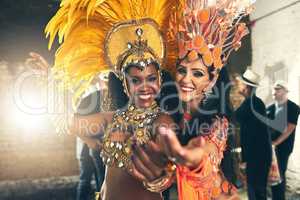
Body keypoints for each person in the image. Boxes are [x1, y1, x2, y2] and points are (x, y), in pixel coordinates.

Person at [45, 1, 180, 200]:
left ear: (159, 81)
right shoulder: (112, 119)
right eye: (136, 80)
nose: (145, 87)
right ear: (125, 84)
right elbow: (67, 124)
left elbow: (176, 163)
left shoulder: (162, 122)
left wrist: (166, 176)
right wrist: (52, 83)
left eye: (151, 78)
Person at [129, 0, 255, 199]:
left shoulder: (218, 121)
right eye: (181, 70)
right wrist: (158, 177)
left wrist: (187, 156)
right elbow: (162, 164)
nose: (185, 79)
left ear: (211, 80)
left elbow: (203, 150)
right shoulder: (166, 114)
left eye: (197, 73)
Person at [235, 68, 272, 200]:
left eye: (240, 82)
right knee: (256, 191)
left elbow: (234, 117)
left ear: (246, 87)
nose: (237, 84)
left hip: (258, 157)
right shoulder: (254, 103)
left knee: (256, 192)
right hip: (258, 156)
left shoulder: (251, 104)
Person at [266, 80, 300, 200]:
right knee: (271, 174)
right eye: (273, 88)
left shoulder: (293, 107)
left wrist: (275, 143)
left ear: (285, 91)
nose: (274, 91)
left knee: (279, 173)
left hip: (283, 147)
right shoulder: (269, 108)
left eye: (277, 89)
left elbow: (290, 128)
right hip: (270, 147)